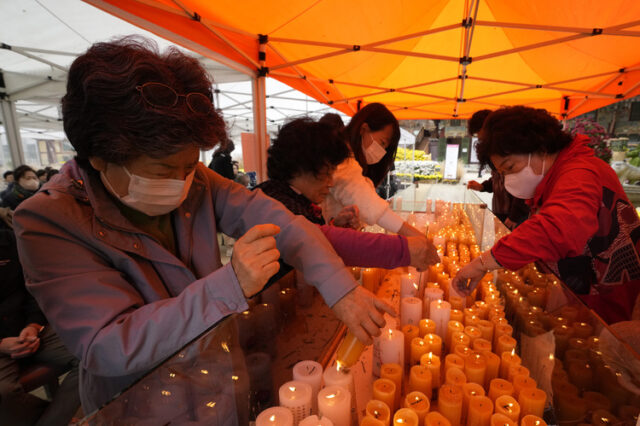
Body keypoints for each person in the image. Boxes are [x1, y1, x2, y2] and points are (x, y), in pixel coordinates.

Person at [13, 37, 394, 413]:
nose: (183, 181)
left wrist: (342, 291)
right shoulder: (47, 221)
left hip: (218, 385)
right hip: (140, 408)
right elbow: (108, 345)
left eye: (190, 165)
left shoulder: (197, 180)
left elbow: (288, 225)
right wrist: (230, 285)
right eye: (164, 169)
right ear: (99, 156)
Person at [452, 106, 640, 323]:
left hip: (609, 313)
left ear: (540, 148)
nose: (508, 179)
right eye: (502, 174)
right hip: (583, 302)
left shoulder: (580, 172)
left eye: (510, 167)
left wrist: (482, 263)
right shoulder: (557, 175)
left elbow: (557, 228)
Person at [256, 118, 434, 271]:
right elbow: (314, 244)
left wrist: (335, 227)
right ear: (301, 167)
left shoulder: (293, 198)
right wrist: (403, 250)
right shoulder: (275, 204)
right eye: (327, 173)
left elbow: (316, 236)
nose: (331, 183)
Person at [0, 225, 80, 426]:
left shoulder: (9, 240)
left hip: (28, 328)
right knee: (4, 394)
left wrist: (33, 325)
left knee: (94, 352)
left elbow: (33, 286)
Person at [321, 103, 432, 239]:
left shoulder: (348, 159)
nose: (383, 152)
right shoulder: (342, 161)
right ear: (364, 129)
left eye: (386, 147)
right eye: (382, 142)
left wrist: (337, 224)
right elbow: (369, 205)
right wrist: (419, 238)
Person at [465, 109, 529, 230]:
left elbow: (524, 184)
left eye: (480, 135)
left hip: (514, 215)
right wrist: (483, 186)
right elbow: (499, 178)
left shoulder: (511, 149)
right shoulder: (495, 150)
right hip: (501, 210)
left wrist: (515, 215)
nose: (480, 139)